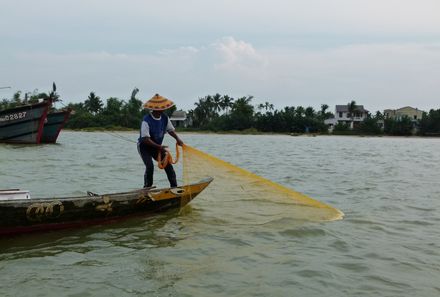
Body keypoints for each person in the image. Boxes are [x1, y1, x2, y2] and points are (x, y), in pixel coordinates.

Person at [137, 94, 184, 188]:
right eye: (159, 108)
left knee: (168, 165)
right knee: (150, 166)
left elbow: (170, 130)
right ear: (154, 109)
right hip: (144, 147)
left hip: (157, 147)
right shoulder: (146, 120)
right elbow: (146, 139)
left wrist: (177, 139)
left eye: (162, 108)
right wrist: (159, 147)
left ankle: (174, 188)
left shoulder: (165, 118)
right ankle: (147, 188)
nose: (161, 110)